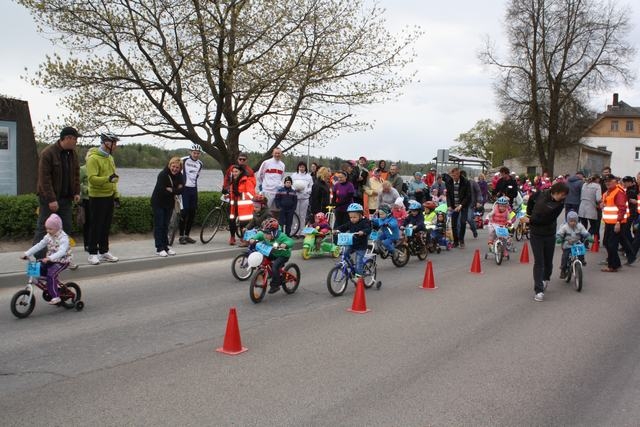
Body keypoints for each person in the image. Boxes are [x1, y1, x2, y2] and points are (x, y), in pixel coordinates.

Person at [33, 126, 81, 260]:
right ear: (67, 138)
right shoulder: (48, 153)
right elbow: (44, 179)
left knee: (65, 228)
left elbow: (76, 174)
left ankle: (62, 257)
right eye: (75, 139)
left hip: (66, 199)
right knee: (44, 228)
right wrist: (51, 199)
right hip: (48, 199)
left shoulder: (73, 154)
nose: (76, 142)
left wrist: (76, 191)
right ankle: (39, 259)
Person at [523, 181, 570, 302]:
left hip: (549, 233)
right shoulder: (540, 194)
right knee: (539, 261)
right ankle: (538, 290)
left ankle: (545, 279)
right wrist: (529, 214)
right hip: (536, 234)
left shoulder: (559, 205)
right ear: (556, 192)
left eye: (565, 196)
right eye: (562, 195)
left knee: (548, 261)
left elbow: (546, 219)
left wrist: (530, 221)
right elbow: (531, 200)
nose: (563, 197)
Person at [21, 213, 72, 305]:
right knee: (38, 269)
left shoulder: (63, 238)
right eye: (47, 228)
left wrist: (49, 258)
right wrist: (27, 253)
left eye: (50, 229)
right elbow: (39, 245)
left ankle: (56, 297)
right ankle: (52, 285)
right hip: (50, 259)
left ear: (57, 228)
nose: (48, 230)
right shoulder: (48, 236)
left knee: (51, 275)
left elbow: (62, 252)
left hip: (62, 261)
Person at [86, 132, 120, 265]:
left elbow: (114, 179)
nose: (115, 146)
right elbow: (92, 179)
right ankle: (92, 253)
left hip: (109, 195)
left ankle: (104, 251)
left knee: (106, 226)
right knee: (96, 225)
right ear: (106, 143)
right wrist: (107, 179)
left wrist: (116, 195)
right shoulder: (93, 159)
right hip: (97, 197)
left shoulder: (110, 158)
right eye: (114, 143)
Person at [249, 217, 293, 294]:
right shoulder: (264, 234)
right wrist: (253, 238)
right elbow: (259, 234)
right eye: (264, 233)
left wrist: (285, 244)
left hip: (283, 254)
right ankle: (265, 273)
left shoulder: (281, 236)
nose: (265, 235)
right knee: (263, 261)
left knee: (275, 266)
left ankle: (275, 285)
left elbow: (290, 241)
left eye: (267, 234)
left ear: (274, 232)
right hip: (272, 252)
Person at [151, 157, 184, 257]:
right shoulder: (163, 174)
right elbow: (162, 190)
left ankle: (165, 246)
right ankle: (159, 248)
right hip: (158, 202)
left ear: (180, 168)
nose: (175, 169)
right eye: (173, 166)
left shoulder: (180, 176)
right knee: (159, 225)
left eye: (177, 167)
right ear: (169, 165)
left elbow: (181, 190)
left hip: (169, 203)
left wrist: (171, 190)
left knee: (166, 225)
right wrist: (175, 189)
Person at [600, 175, 635, 271]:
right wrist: (602, 204)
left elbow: (622, 208)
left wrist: (618, 223)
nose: (607, 182)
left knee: (611, 244)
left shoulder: (618, 192)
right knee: (607, 243)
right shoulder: (608, 192)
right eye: (606, 181)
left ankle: (613, 266)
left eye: (610, 181)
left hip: (616, 223)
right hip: (609, 222)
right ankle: (617, 263)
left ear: (615, 181)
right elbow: (609, 205)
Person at [335, 203, 372, 278]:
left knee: (358, 262)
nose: (352, 219)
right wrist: (337, 229)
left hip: (361, 246)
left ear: (360, 215)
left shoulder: (365, 222)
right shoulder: (351, 223)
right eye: (350, 217)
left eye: (354, 217)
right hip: (351, 243)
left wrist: (363, 232)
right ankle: (351, 265)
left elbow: (368, 229)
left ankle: (359, 277)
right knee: (344, 254)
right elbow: (344, 226)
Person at [178, 144, 204, 245]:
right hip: (184, 189)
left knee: (192, 213)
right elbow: (175, 172)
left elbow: (196, 176)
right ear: (190, 152)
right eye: (194, 153)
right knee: (184, 212)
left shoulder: (200, 164)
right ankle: (181, 236)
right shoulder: (183, 160)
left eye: (198, 153)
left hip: (193, 189)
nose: (196, 155)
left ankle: (187, 235)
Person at [556, 211, 591, 279]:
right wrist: (559, 238)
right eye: (571, 221)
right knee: (565, 256)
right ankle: (563, 269)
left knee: (581, 250)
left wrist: (588, 237)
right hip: (567, 244)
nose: (573, 223)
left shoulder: (579, 226)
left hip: (576, 243)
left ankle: (581, 260)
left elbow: (585, 232)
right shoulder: (565, 227)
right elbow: (559, 233)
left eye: (575, 221)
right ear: (568, 220)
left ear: (577, 220)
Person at [228, 164, 257, 245]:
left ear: (240, 172)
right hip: (234, 205)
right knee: (231, 221)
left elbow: (252, 195)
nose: (234, 173)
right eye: (233, 172)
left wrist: (241, 194)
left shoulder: (246, 181)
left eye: (236, 171)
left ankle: (245, 240)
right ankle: (233, 237)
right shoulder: (232, 181)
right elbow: (232, 193)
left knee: (243, 223)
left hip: (244, 207)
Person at [444, 168, 470, 248]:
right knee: (453, 224)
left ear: (459, 174)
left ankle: (461, 240)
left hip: (463, 205)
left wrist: (461, 205)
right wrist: (449, 205)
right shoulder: (449, 182)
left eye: (455, 175)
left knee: (462, 222)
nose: (453, 177)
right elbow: (448, 195)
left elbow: (467, 196)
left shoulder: (465, 182)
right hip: (453, 205)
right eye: (452, 175)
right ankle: (455, 241)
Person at [291, 161, 313, 234]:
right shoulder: (294, 175)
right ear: (298, 167)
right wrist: (295, 189)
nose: (301, 168)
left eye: (303, 167)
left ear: (305, 168)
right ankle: (295, 230)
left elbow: (311, 187)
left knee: (303, 215)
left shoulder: (308, 176)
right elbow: (290, 185)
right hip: (295, 198)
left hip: (304, 198)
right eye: (300, 167)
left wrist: (305, 191)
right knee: (295, 214)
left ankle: (302, 231)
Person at [578, 174, 602, 242]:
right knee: (594, 226)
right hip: (591, 207)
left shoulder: (584, 184)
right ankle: (586, 237)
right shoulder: (597, 186)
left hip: (582, 207)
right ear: (596, 179)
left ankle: (583, 242)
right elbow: (598, 199)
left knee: (584, 226)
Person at [78, 150, 92, 252]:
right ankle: (87, 244)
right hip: (86, 199)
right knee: (87, 223)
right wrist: (86, 189)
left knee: (96, 223)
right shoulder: (82, 169)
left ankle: (95, 243)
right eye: (89, 156)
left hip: (97, 198)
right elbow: (77, 183)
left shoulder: (97, 168)